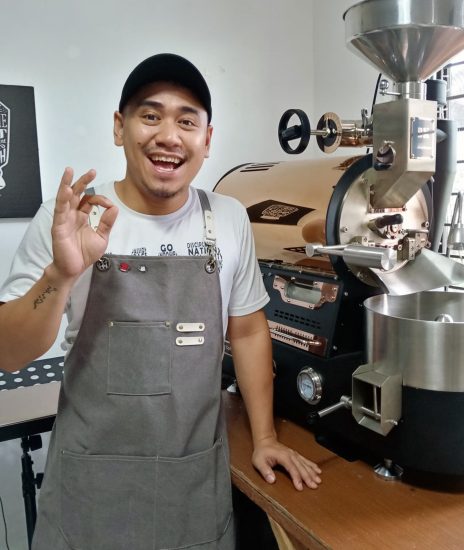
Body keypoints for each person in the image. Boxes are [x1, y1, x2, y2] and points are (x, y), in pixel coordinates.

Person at [0, 53, 322, 550]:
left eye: (187, 121)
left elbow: (250, 330)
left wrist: (265, 438)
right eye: (150, 115)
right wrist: (61, 275)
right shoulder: (70, 218)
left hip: (190, 482)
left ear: (207, 140)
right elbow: (9, 352)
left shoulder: (229, 219)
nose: (168, 136)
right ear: (119, 127)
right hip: (90, 483)